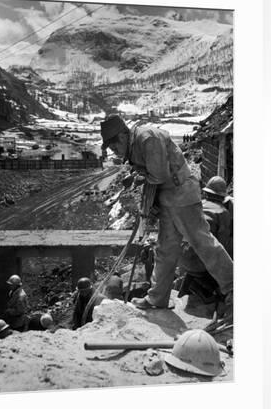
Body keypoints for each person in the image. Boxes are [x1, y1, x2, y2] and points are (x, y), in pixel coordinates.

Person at [100, 114, 233, 309]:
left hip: (182, 195)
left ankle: (233, 286)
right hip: (170, 198)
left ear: (122, 137)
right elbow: (153, 173)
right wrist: (137, 175)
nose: (117, 152)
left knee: (201, 242)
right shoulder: (136, 143)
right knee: (165, 250)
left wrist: (138, 179)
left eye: (115, 147)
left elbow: (158, 174)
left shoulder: (148, 138)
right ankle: (157, 298)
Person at [178, 176, 232, 302]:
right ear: (222, 196)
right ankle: (215, 293)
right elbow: (222, 246)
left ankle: (192, 287)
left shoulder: (196, 206)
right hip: (199, 263)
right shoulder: (222, 212)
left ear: (206, 192)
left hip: (179, 257)